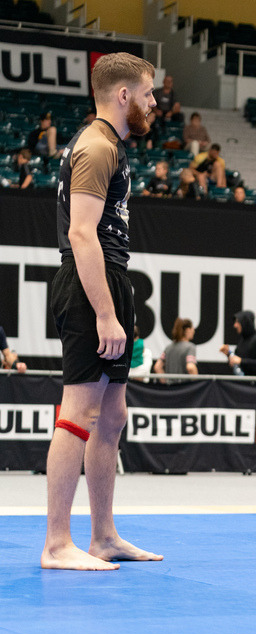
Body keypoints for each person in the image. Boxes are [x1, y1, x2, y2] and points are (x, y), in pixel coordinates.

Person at [43, 52, 162, 570]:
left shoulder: (109, 144)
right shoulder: (95, 146)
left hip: (111, 278)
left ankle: (103, 536)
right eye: (148, 93)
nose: (154, 103)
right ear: (123, 95)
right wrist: (105, 314)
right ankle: (56, 544)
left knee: (112, 416)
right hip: (89, 282)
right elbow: (80, 233)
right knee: (79, 414)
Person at [218, 310, 256, 376]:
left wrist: (241, 361)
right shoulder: (242, 341)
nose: (235, 325)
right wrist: (228, 354)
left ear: (245, 323)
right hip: (242, 384)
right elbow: (238, 364)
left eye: (237, 322)